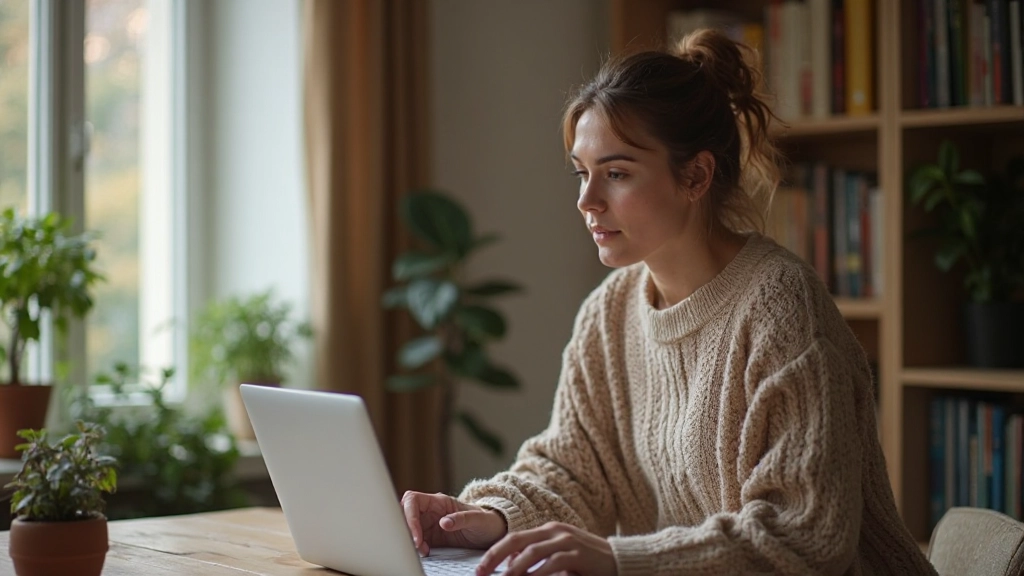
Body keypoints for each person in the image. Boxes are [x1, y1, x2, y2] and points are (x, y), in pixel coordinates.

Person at [402, 29, 937, 576]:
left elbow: (803, 535)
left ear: (696, 175)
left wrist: (619, 558)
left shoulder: (781, 306)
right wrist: (487, 515)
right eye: (582, 174)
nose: (587, 201)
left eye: (616, 174)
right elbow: (572, 469)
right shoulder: (610, 313)